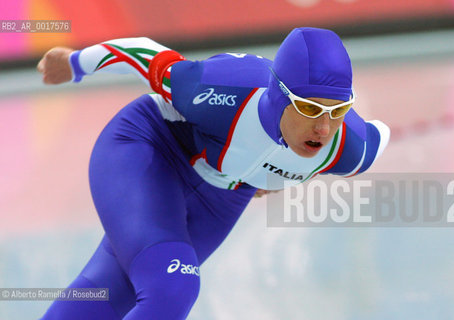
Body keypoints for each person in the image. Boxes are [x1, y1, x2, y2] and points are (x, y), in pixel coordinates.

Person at [36, 27, 389, 319]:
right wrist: (74, 64)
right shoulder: (221, 90)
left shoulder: (350, 148)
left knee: (110, 294)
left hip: (223, 193)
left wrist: (278, 171)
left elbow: (381, 133)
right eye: (310, 109)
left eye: (339, 110)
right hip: (149, 146)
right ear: (280, 97)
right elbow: (140, 53)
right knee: (172, 285)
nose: (324, 128)